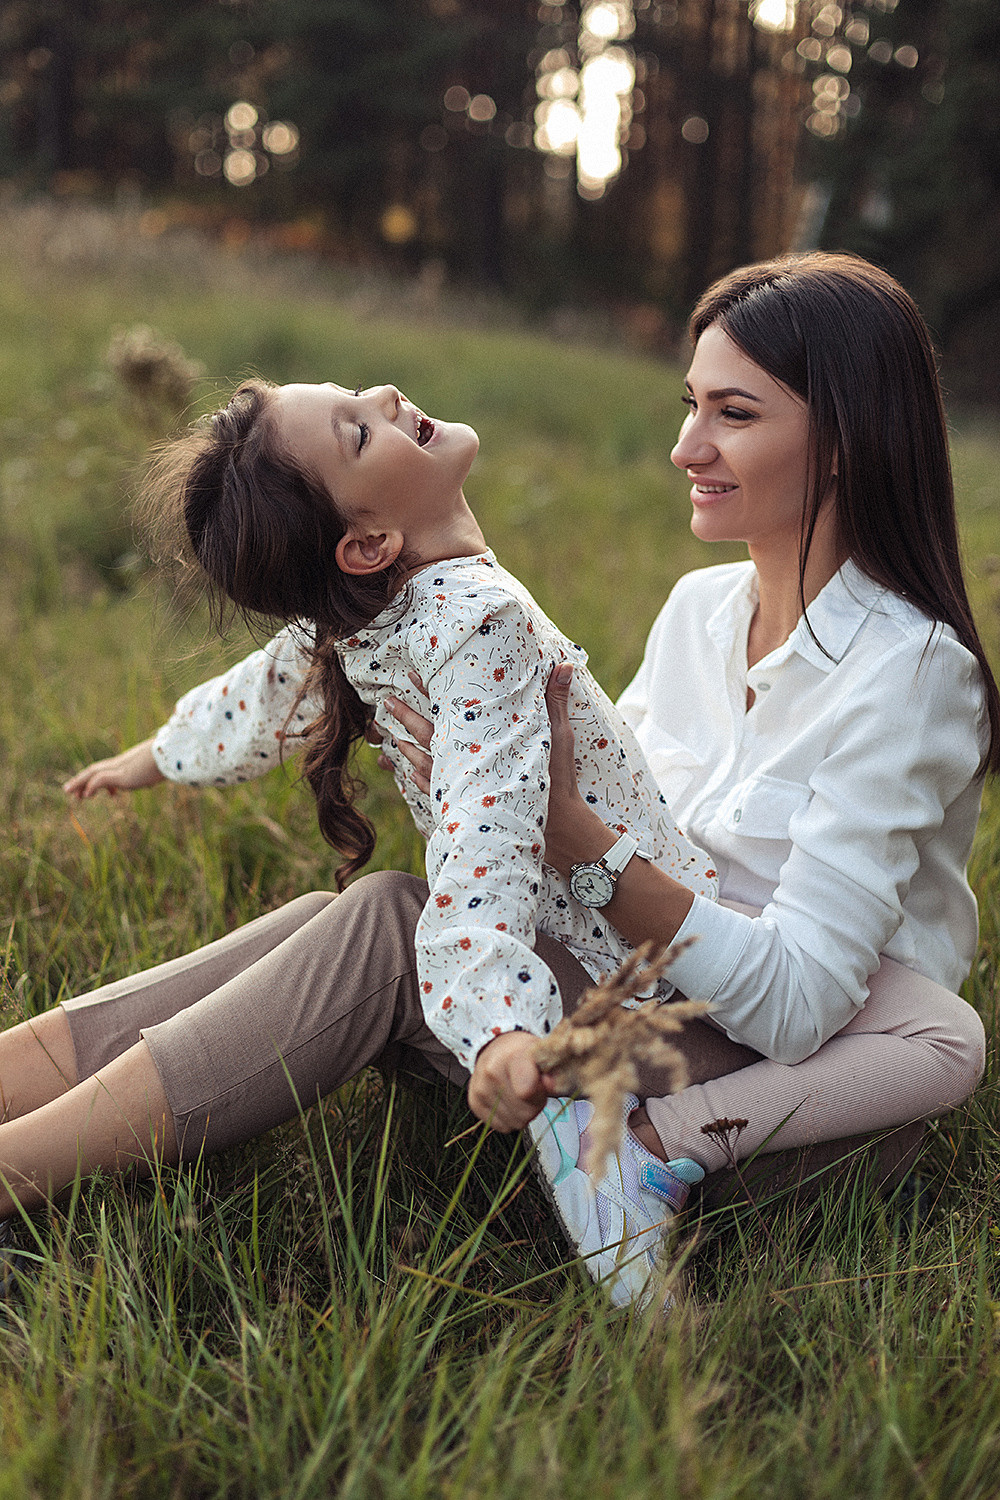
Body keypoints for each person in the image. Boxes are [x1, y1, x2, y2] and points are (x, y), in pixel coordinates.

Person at [34, 250, 990, 1311]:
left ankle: (21, 1170)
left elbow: (798, 1002)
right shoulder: (697, 615)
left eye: (733, 414)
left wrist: (573, 840)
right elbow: (326, 691)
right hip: (633, 1005)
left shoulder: (906, 674)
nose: (685, 446)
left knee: (391, 927)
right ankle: (22, 1084)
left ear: (845, 441)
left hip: (783, 1090)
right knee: (356, 914)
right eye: (689, 405)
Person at [19, 370, 721, 1311]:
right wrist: (155, 757)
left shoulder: (450, 615)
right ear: (367, 545)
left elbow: (484, 834)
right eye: (356, 429)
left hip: (652, 1029)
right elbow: (288, 702)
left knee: (385, 915)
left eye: (359, 399)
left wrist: (503, 1029)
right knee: (342, 911)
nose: (387, 393)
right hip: (570, 1001)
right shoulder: (441, 617)